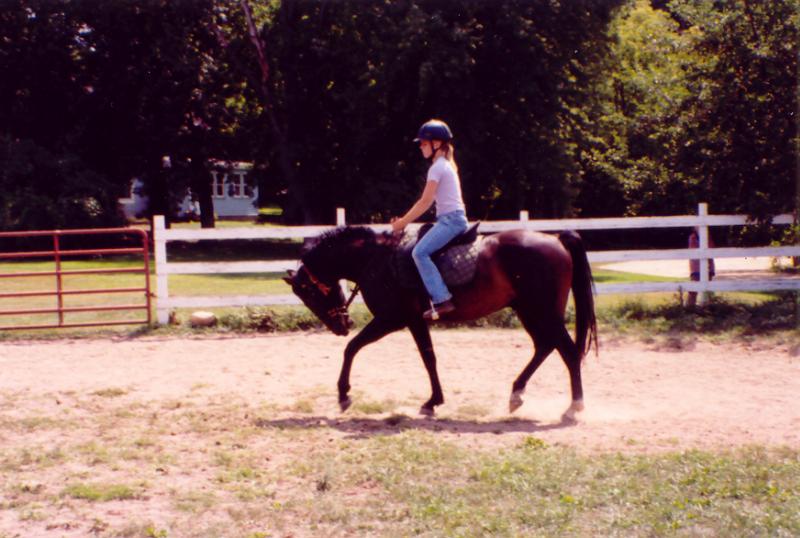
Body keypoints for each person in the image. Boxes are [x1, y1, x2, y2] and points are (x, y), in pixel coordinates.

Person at [391, 119, 468, 320]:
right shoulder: (445, 165)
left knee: (420, 253)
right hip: (450, 219)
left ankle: (443, 300)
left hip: (451, 221)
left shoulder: (437, 167)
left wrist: (401, 223)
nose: (421, 147)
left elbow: (425, 202)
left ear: (436, 144)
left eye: (424, 143)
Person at [687, 228, 715, 307]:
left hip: (708, 267)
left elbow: (712, 248)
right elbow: (692, 250)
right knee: (693, 289)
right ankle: (690, 307)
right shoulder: (693, 237)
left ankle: (707, 306)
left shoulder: (708, 236)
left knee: (707, 288)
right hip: (696, 267)